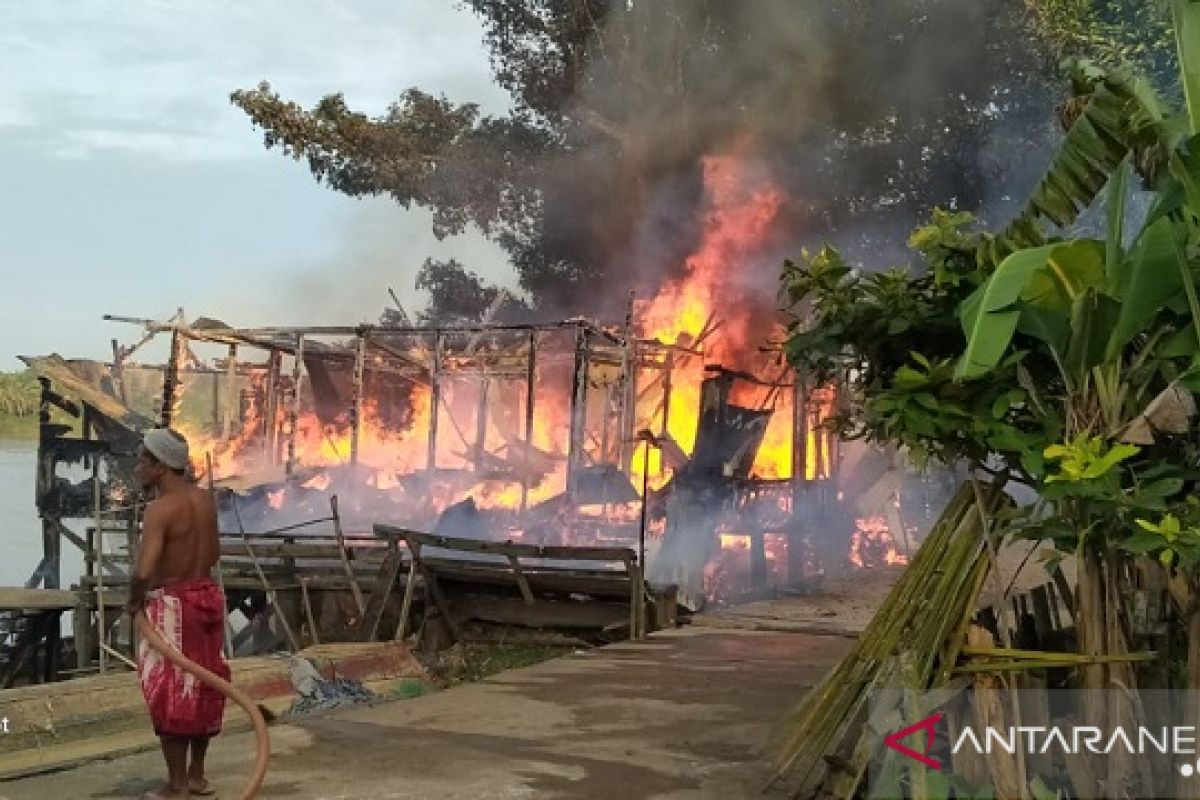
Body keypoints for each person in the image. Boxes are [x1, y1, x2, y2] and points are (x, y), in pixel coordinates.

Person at [130, 427, 229, 800]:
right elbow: (215, 553)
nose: (138, 467)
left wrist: (134, 599)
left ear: (159, 466)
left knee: (169, 688)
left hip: (173, 604)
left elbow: (143, 569)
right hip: (207, 596)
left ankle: (176, 785)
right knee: (203, 682)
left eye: (143, 460)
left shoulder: (160, 509)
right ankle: (196, 777)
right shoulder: (204, 500)